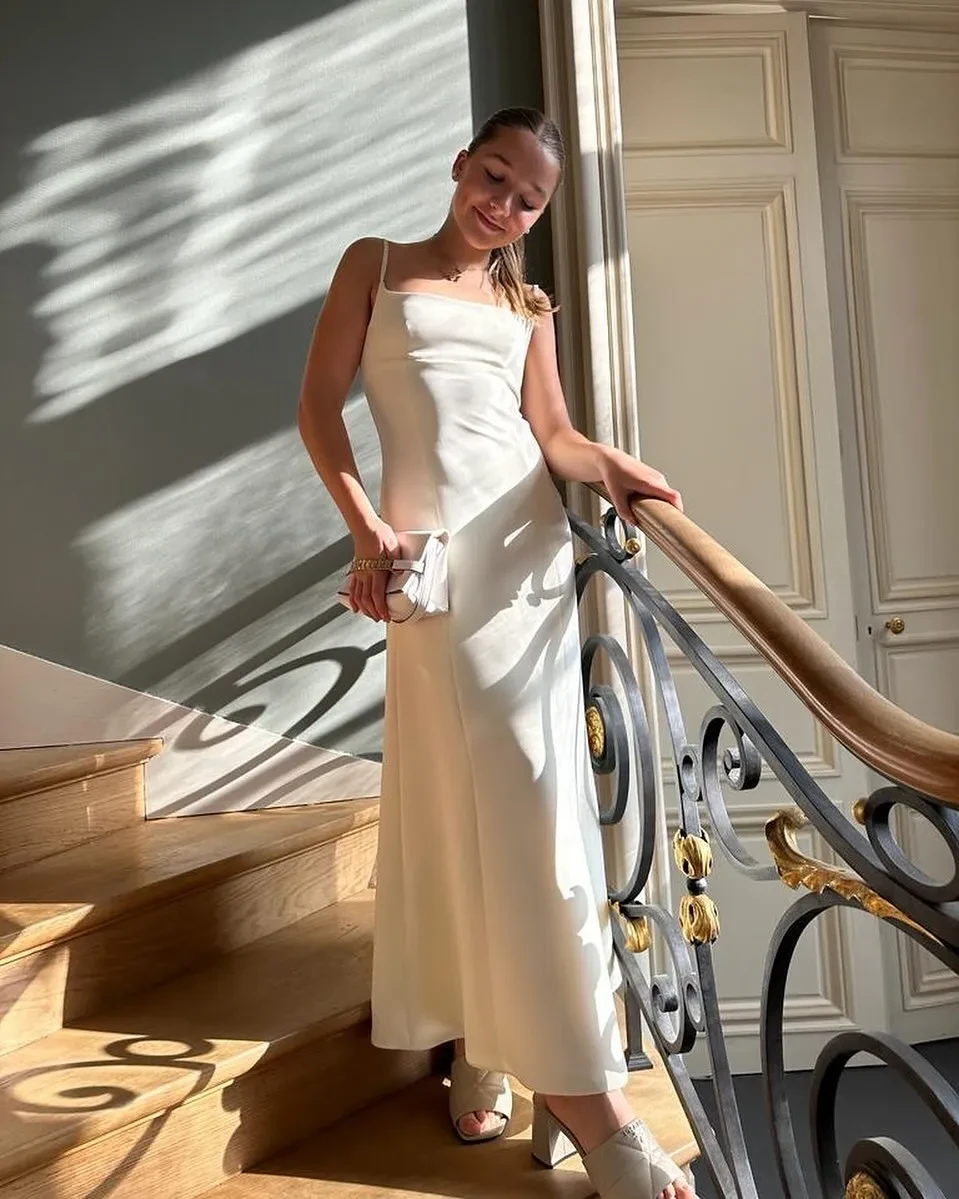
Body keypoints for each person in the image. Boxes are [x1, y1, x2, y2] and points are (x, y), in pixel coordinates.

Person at [297, 107, 695, 1199]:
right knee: (480, 806)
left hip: (527, 562)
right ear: (460, 164)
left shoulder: (527, 305)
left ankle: (512, 1047)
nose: (504, 205)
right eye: (493, 177)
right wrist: (365, 530)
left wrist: (607, 463)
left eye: (528, 199)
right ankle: (572, 1093)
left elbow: (549, 435)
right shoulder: (375, 265)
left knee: (537, 805)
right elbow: (318, 411)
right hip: (436, 570)